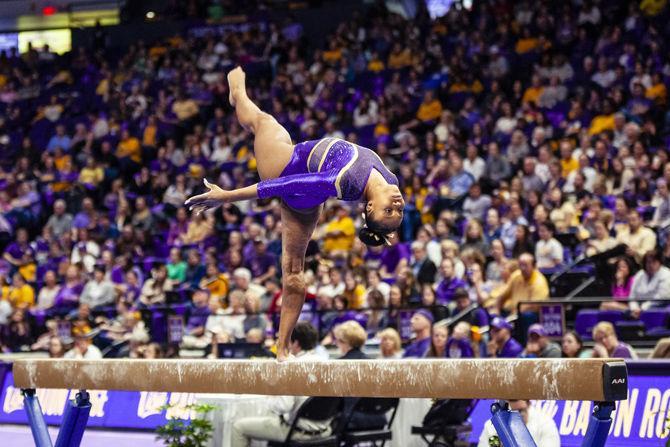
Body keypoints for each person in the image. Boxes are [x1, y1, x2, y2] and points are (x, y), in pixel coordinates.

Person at [186, 68, 405, 360]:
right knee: (292, 274)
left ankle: (282, 348)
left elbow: (282, 185)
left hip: (287, 169)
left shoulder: (344, 180)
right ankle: (237, 95)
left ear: (368, 207)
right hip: (307, 184)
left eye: (388, 209)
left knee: (262, 121)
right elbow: (386, 219)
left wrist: (227, 196)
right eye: (397, 210)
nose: (397, 203)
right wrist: (383, 228)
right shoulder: (392, 183)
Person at [231, 322, 333, 446]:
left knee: (239, 427)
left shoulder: (292, 366)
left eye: (286, 341)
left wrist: (269, 394)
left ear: (295, 343)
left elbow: (282, 407)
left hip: (297, 431)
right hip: (325, 429)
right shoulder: (327, 363)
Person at [477, 399, 560, 447]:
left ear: (529, 404)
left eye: (521, 411)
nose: (518, 415)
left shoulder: (545, 423)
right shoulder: (492, 426)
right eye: (513, 411)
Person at [629, 249, 670, 316]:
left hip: (659, 308)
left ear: (660, 262)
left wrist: (642, 308)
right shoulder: (640, 274)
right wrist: (634, 308)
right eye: (648, 262)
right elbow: (632, 296)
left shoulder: (667, 274)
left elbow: (660, 297)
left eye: (654, 262)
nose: (651, 265)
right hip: (638, 309)